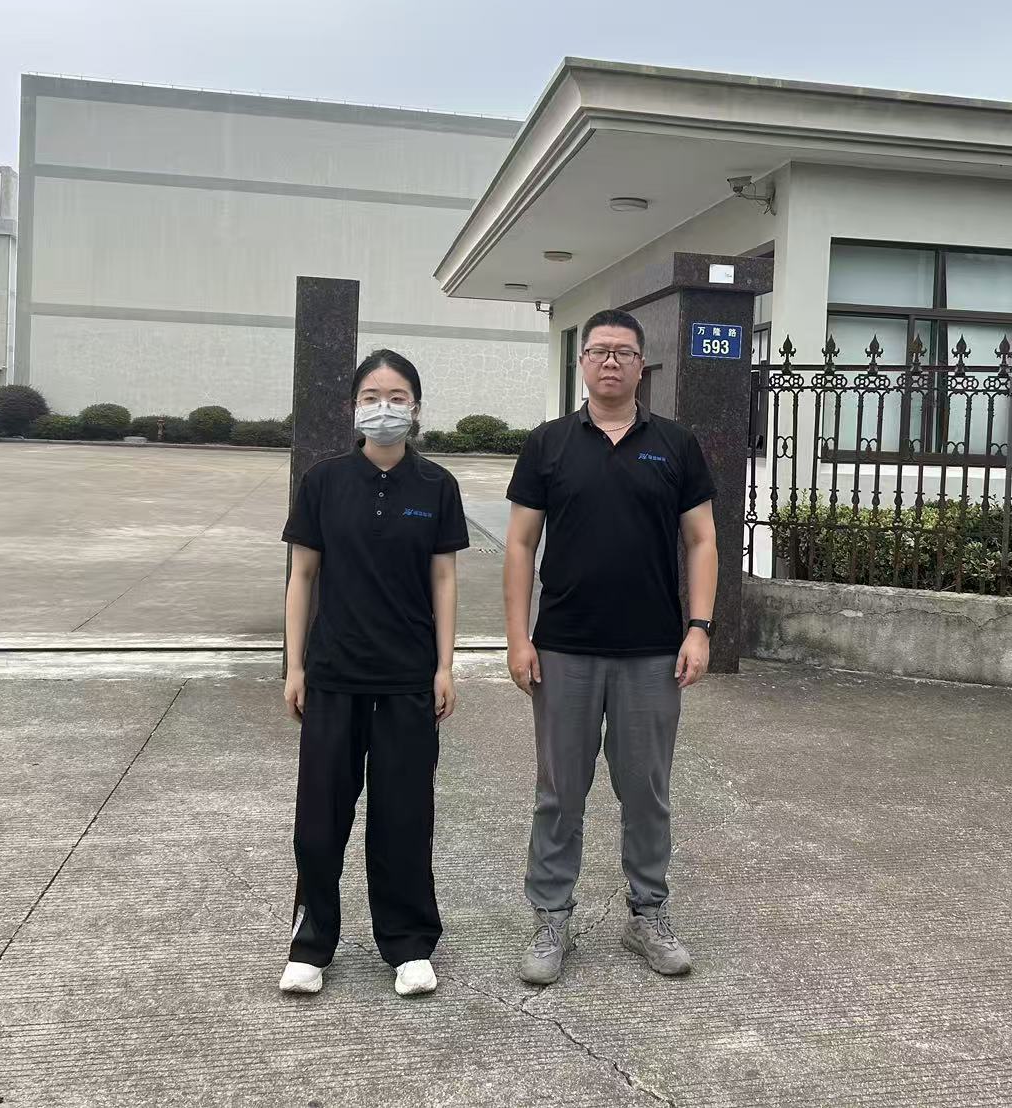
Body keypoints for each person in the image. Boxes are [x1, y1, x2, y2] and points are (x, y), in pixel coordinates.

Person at [504, 308, 719, 984]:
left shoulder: (676, 444)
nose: (610, 362)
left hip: (652, 651)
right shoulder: (547, 444)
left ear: (640, 365)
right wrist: (517, 637)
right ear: (582, 363)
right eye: (598, 351)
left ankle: (647, 914)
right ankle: (551, 918)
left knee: (646, 791)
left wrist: (700, 627)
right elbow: (520, 544)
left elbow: (702, 540)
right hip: (563, 648)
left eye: (623, 353)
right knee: (559, 792)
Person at [278, 349, 468, 999]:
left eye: (397, 396)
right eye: (371, 396)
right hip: (334, 674)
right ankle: (311, 943)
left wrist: (445, 665)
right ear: (353, 406)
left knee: (404, 816)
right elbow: (302, 576)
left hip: (408, 678)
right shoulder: (324, 482)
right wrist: (295, 666)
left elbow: (444, 579)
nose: (383, 407)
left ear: (416, 407)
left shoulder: (436, 486)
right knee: (320, 818)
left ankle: (409, 944)